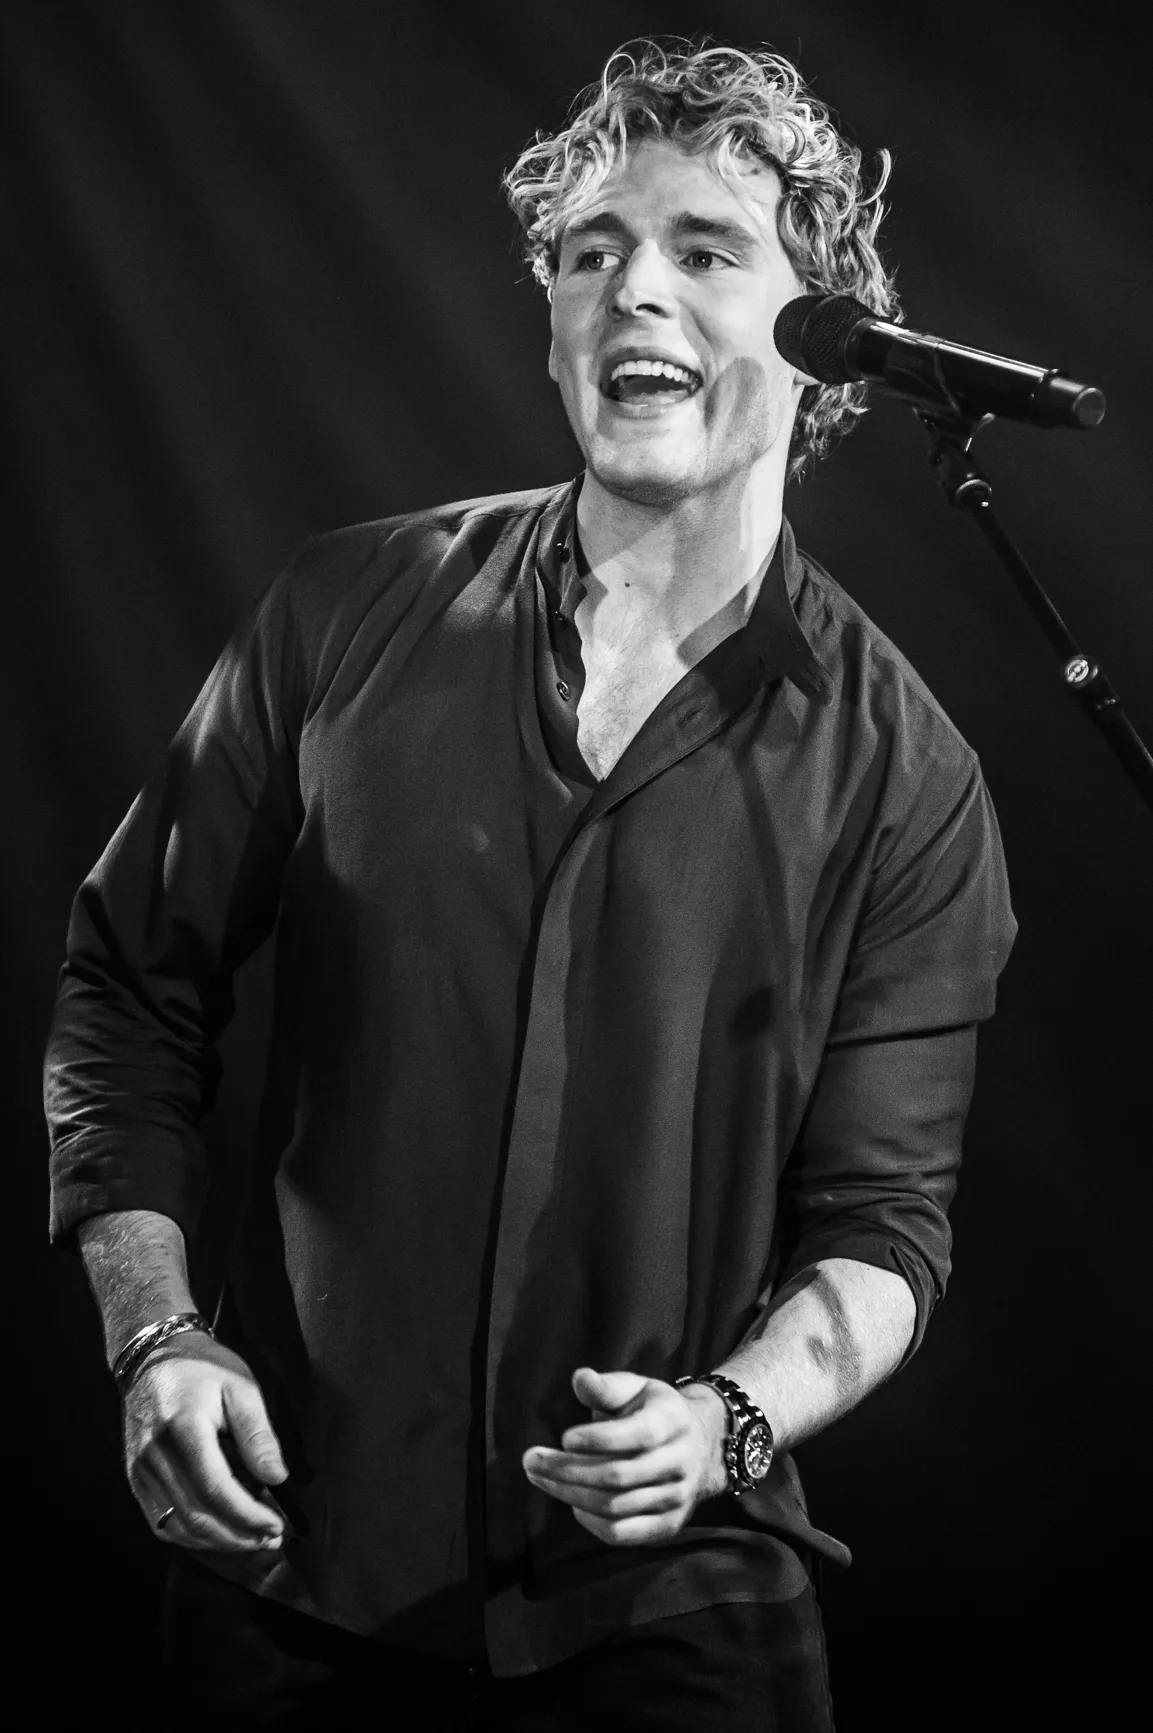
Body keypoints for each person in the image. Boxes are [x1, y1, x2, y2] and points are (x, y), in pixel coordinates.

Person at [45, 37, 1015, 1732]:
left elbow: (887, 1227)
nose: (632, 289)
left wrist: (729, 1418)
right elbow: (128, 992)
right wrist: (155, 1336)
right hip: (297, 1573)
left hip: (674, 1616)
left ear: (822, 334)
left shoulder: (907, 773)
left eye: (705, 249)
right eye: (589, 254)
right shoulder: (343, 612)